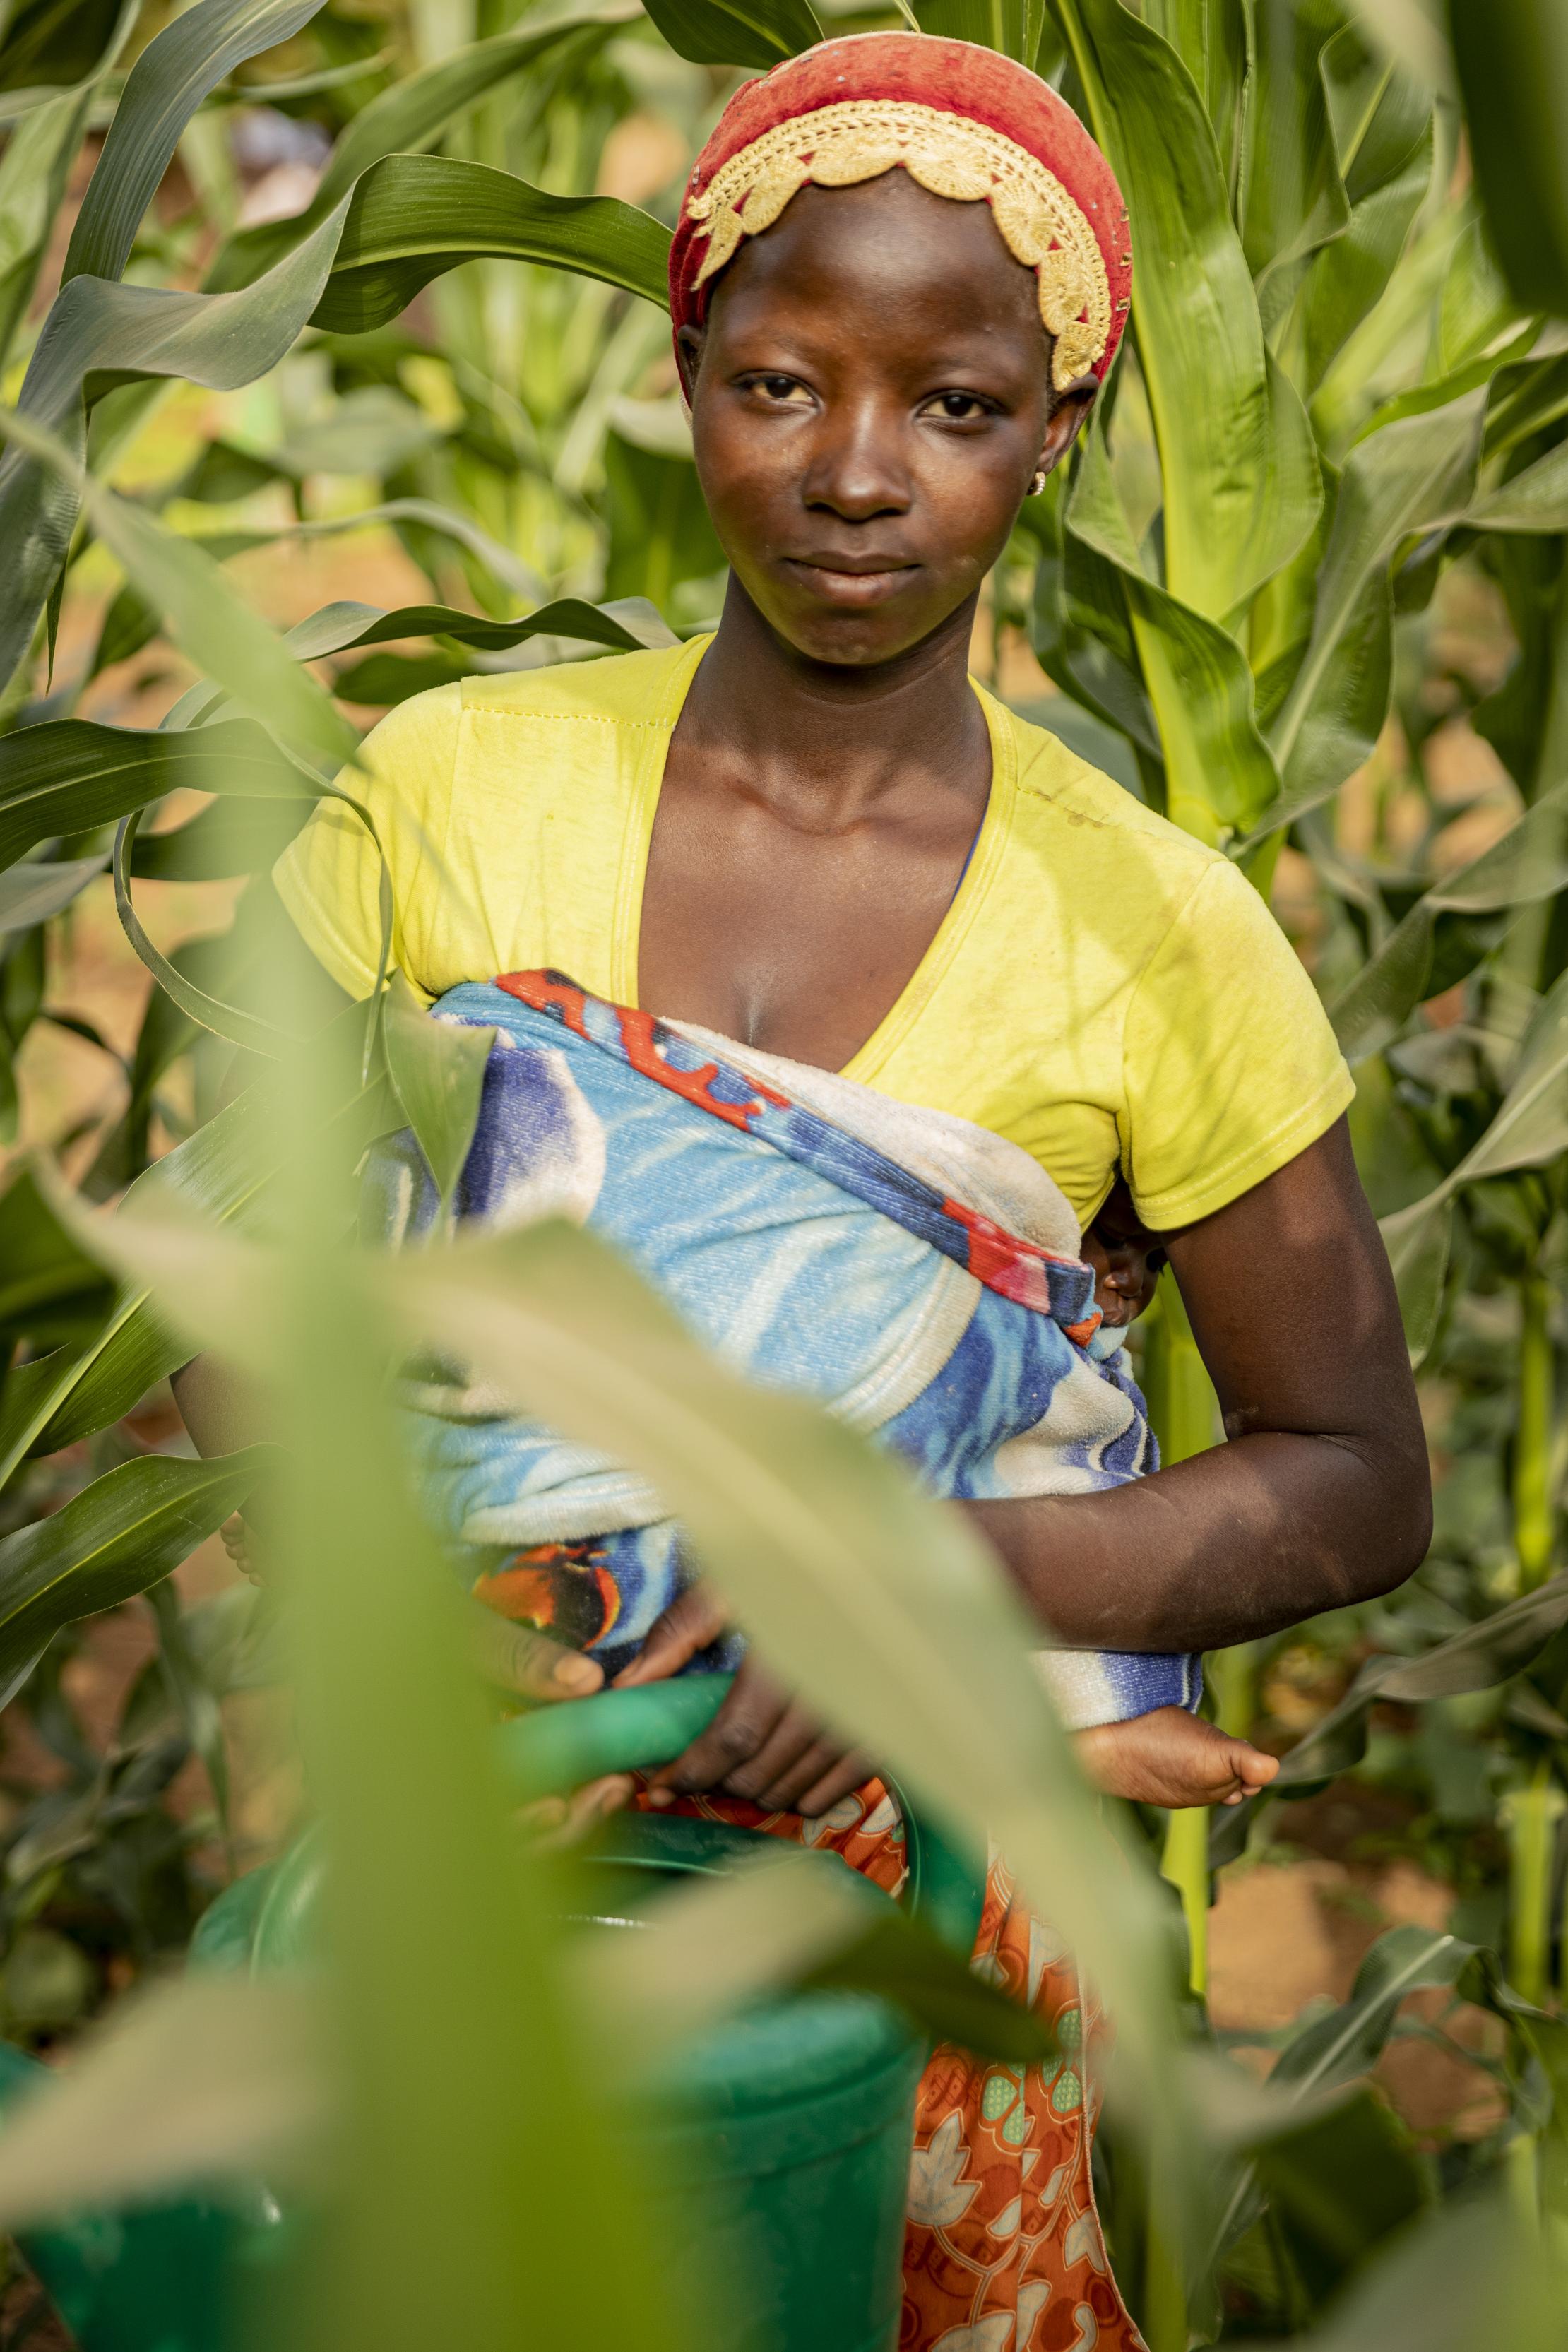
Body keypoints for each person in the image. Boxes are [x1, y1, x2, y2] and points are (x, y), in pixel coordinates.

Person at [179, 32, 1430, 2347]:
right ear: (679, 372)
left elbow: (1350, 1476)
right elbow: (228, 1329)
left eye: (954, 407)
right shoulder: (450, 794)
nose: (855, 475)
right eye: (778, 382)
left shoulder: (1157, 931)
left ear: (1059, 425)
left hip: (916, 1923)